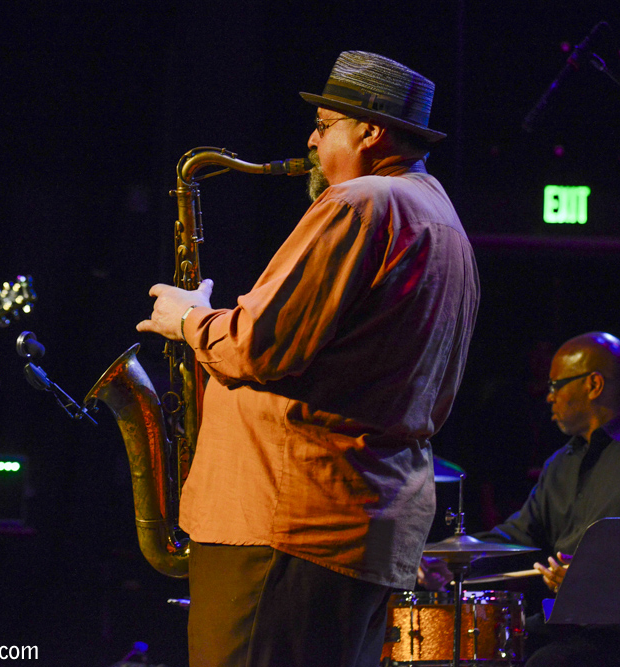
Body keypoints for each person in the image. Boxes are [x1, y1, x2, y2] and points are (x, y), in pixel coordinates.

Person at [137, 51, 479, 667]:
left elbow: (257, 346)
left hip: (286, 522)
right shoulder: (445, 222)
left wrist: (188, 319)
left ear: (369, 132)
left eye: (324, 125)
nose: (312, 141)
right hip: (363, 526)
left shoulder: (362, 202)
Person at [419, 331, 620, 667]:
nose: (548, 396)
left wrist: (593, 580)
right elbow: (518, 538)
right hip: (580, 623)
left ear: (593, 385)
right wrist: (452, 561)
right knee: (482, 647)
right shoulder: (561, 463)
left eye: (556, 385)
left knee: (549, 662)